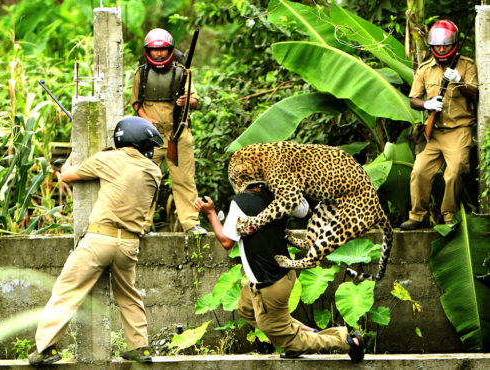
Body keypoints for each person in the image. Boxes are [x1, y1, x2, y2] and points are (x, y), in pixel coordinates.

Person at [28, 117, 163, 365]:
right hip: (129, 244)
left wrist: (71, 157)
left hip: (100, 238)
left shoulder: (108, 159)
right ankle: (140, 346)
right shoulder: (154, 171)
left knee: (67, 291)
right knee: (129, 296)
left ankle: (45, 348)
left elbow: (67, 175)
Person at [194, 184, 364, 361]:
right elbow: (305, 211)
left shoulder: (241, 203)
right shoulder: (281, 195)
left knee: (286, 336)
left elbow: (227, 241)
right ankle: (310, 332)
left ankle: (349, 343)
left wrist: (211, 213)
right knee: (246, 309)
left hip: (269, 286)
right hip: (283, 274)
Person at [401, 20, 478, 230]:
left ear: (453, 44)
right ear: (432, 46)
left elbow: (477, 93)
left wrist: (460, 81)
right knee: (419, 171)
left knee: (454, 172)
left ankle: (447, 216)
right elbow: (413, 99)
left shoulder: (467, 65)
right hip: (434, 132)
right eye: (437, 45)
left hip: (459, 129)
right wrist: (426, 103)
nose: (441, 49)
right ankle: (417, 216)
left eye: (445, 45)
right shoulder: (425, 69)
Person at [130, 28, 206, 235]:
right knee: (146, 180)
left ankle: (191, 223)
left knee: (184, 179)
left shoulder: (182, 72)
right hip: (150, 135)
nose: (159, 54)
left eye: (163, 49)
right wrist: (146, 119)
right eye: (155, 50)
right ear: (148, 51)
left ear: (170, 49)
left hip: (178, 133)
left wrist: (186, 101)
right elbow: (136, 103)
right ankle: (141, 225)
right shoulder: (142, 73)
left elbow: (196, 101)